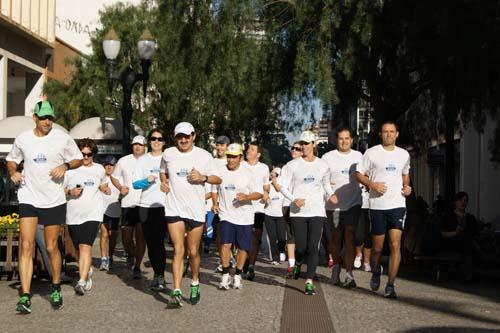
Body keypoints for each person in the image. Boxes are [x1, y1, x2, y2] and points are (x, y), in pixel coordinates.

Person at [6, 100, 82, 313]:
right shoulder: (23, 139)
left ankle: (56, 286)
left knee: (50, 247)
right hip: (29, 197)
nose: (48, 121)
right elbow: (11, 160)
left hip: (53, 200)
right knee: (26, 245)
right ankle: (25, 295)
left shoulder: (62, 138)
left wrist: (65, 165)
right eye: (43, 117)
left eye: (50, 118)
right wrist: (13, 172)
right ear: (35, 118)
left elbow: (77, 159)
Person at [160, 122, 221, 307]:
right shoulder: (168, 154)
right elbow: (163, 171)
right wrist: (164, 182)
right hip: (174, 208)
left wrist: (202, 178)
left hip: (195, 209)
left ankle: (195, 282)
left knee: (193, 252)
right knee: (178, 249)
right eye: (180, 136)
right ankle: (177, 291)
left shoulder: (204, 155)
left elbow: (218, 179)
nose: (183, 140)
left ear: (193, 136)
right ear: (175, 137)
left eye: (187, 136)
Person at [355, 121, 411, 299]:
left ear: (397, 134)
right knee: (378, 248)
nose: (388, 134)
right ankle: (376, 271)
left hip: (397, 205)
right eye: (385, 132)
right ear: (380, 134)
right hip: (377, 205)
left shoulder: (404, 154)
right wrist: (372, 184)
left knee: (395, 245)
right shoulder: (372, 153)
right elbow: (358, 174)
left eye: (391, 132)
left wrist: (407, 187)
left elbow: (405, 174)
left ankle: (391, 284)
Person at [279, 131, 338, 295]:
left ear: (314, 144)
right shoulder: (292, 165)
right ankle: (298, 262)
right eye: (302, 144)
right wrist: (293, 199)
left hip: (317, 211)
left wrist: (331, 195)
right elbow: (282, 186)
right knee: (301, 247)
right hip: (298, 212)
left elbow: (326, 186)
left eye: (307, 143)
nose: (304, 147)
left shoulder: (323, 165)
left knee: (313, 246)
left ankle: (309, 281)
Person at [213, 143, 263, 289]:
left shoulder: (248, 173)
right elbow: (214, 189)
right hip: (226, 214)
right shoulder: (220, 171)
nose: (230, 160)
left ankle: (238, 274)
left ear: (240, 157)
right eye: (229, 156)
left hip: (244, 216)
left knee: (243, 248)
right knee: (225, 244)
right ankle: (225, 274)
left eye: (234, 157)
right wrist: (215, 203)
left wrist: (247, 197)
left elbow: (259, 193)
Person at [65, 138, 108, 295]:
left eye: (88, 155)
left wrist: (105, 189)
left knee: (85, 246)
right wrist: (70, 192)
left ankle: (81, 281)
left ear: (93, 155)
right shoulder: (69, 171)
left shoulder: (99, 169)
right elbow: (59, 191)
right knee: (78, 249)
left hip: (92, 214)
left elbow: (103, 184)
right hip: (73, 215)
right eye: (82, 154)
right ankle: (86, 270)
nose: (85, 157)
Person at [322, 128, 363, 288]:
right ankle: (336, 269)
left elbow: (366, 175)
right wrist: (328, 191)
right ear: (336, 140)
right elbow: (322, 178)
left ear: (352, 140)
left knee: (350, 235)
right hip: (334, 204)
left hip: (353, 202)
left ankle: (349, 273)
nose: (344, 141)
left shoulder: (359, 156)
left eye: (347, 138)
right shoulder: (328, 157)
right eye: (341, 138)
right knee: (336, 238)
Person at [132, 129, 167, 291]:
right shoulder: (142, 160)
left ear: (164, 142)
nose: (156, 141)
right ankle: (157, 274)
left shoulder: (168, 158)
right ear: (149, 141)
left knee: (159, 243)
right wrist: (146, 181)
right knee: (151, 243)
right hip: (145, 206)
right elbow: (134, 184)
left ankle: (160, 276)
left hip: (163, 206)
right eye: (153, 138)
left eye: (160, 139)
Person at [111, 135, 147, 279]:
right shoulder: (124, 161)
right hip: (128, 203)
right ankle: (131, 253)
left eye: (140, 145)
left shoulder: (149, 161)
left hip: (144, 204)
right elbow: (114, 176)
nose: (137, 147)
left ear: (145, 146)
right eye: (135, 145)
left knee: (141, 237)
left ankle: (137, 266)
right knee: (126, 238)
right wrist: (120, 187)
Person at [271, 142, 302, 277]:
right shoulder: (287, 167)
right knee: (290, 235)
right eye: (293, 148)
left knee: (302, 237)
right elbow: (279, 187)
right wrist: (274, 181)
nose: (294, 150)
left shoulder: (309, 166)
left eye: (298, 149)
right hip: (287, 204)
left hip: (303, 206)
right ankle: (291, 265)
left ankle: (299, 262)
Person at [242, 142, 270, 281]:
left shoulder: (264, 168)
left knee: (255, 236)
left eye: (252, 149)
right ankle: (243, 261)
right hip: (242, 206)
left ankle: (251, 265)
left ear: (258, 154)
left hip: (258, 207)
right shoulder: (241, 165)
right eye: (248, 149)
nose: (248, 151)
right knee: (243, 237)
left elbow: (266, 186)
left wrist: (266, 193)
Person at [440, 191, 478, 280]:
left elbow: (475, 232)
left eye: (465, 201)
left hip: (467, 243)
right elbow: (442, 233)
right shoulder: (448, 216)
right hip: (452, 241)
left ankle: (468, 274)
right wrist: (456, 233)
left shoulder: (470, 218)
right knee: (468, 243)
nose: (463, 203)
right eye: (460, 200)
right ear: (455, 202)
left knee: (468, 242)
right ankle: (468, 274)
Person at [99, 156, 121, 271]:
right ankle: (103, 259)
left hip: (116, 211)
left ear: (115, 166)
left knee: (112, 236)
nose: (109, 166)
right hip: (103, 210)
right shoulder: (101, 178)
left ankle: (110, 256)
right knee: (104, 234)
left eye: (111, 165)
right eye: (107, 164)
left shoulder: (119, 179)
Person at [264, 167, 286, 265]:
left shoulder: (283, 186)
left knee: (281, 237)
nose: (273, 176)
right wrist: (265, 197)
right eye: (272, 174)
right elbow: (263, 196)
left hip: (281, 215)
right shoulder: (267, 185)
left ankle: (281, 250)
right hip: (269, 214)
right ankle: (275, 258)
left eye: (276, 175)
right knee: (272, 237)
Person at [354, 186, 372, 272]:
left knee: (369, 236)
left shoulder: (373, 176)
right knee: (359, 235)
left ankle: (366, 262)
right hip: (358, 207)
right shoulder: (357, 176)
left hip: (372, 207)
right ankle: (358, 254)